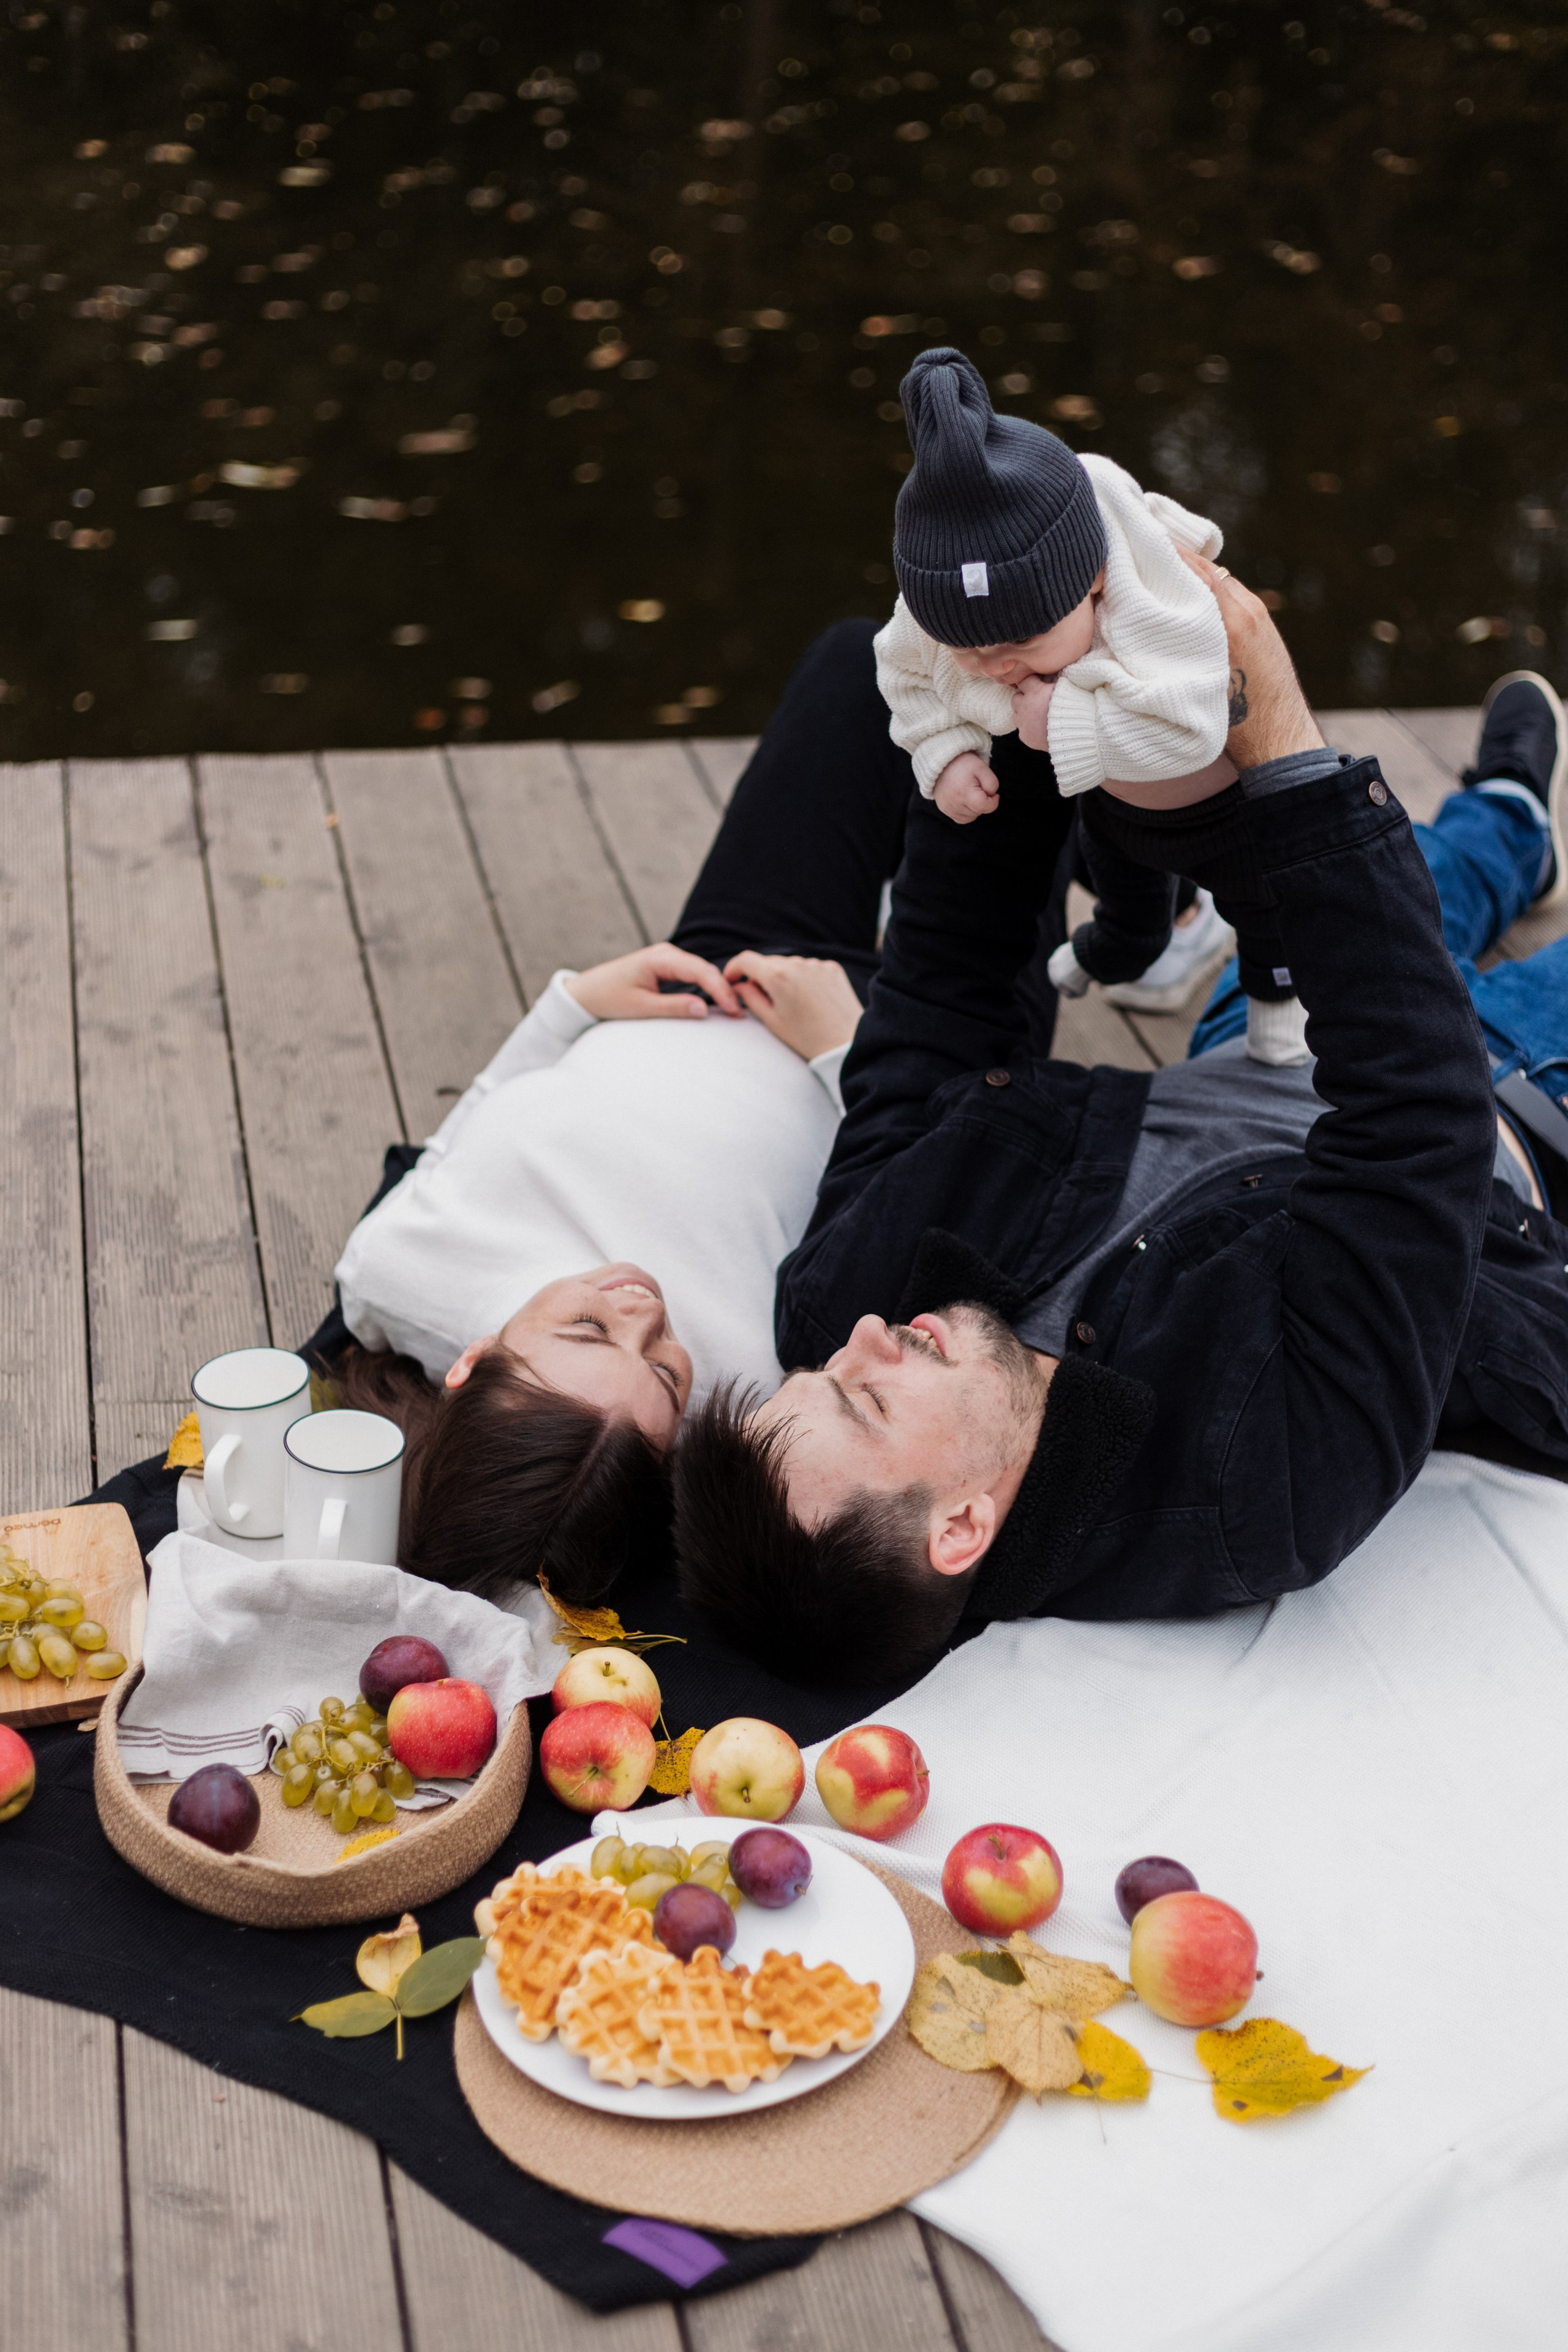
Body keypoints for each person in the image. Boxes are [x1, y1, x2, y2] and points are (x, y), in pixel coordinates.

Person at [673, 590, 1568, 1686]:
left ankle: (1512, 815)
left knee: (1433, 876)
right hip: (1513, 1108)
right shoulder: (1251, 1485)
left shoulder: (836, 1300)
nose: (860, 1333)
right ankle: (1507, 820)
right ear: (958, 1529)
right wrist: (1280, 736)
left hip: (1260, 1039)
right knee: (1415, 914)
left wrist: (1002, 693)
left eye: (816, 1373)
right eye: (862, 1396)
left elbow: (944, 997)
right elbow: (1414, 1119)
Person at [874, 347, 1308, 1063]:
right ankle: (1104, 958)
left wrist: (1064, 722)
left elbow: (1196, 724)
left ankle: (1277, 1031)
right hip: (1112, 808)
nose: (999, 667)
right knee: (1130, 919)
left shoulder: (1153, 602)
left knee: (1270, 914)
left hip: (1226, 810)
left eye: (1020, 641)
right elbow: (903, 674)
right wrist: (942, 752)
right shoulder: (942, 613)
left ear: (1096, 579)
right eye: (970, 651)